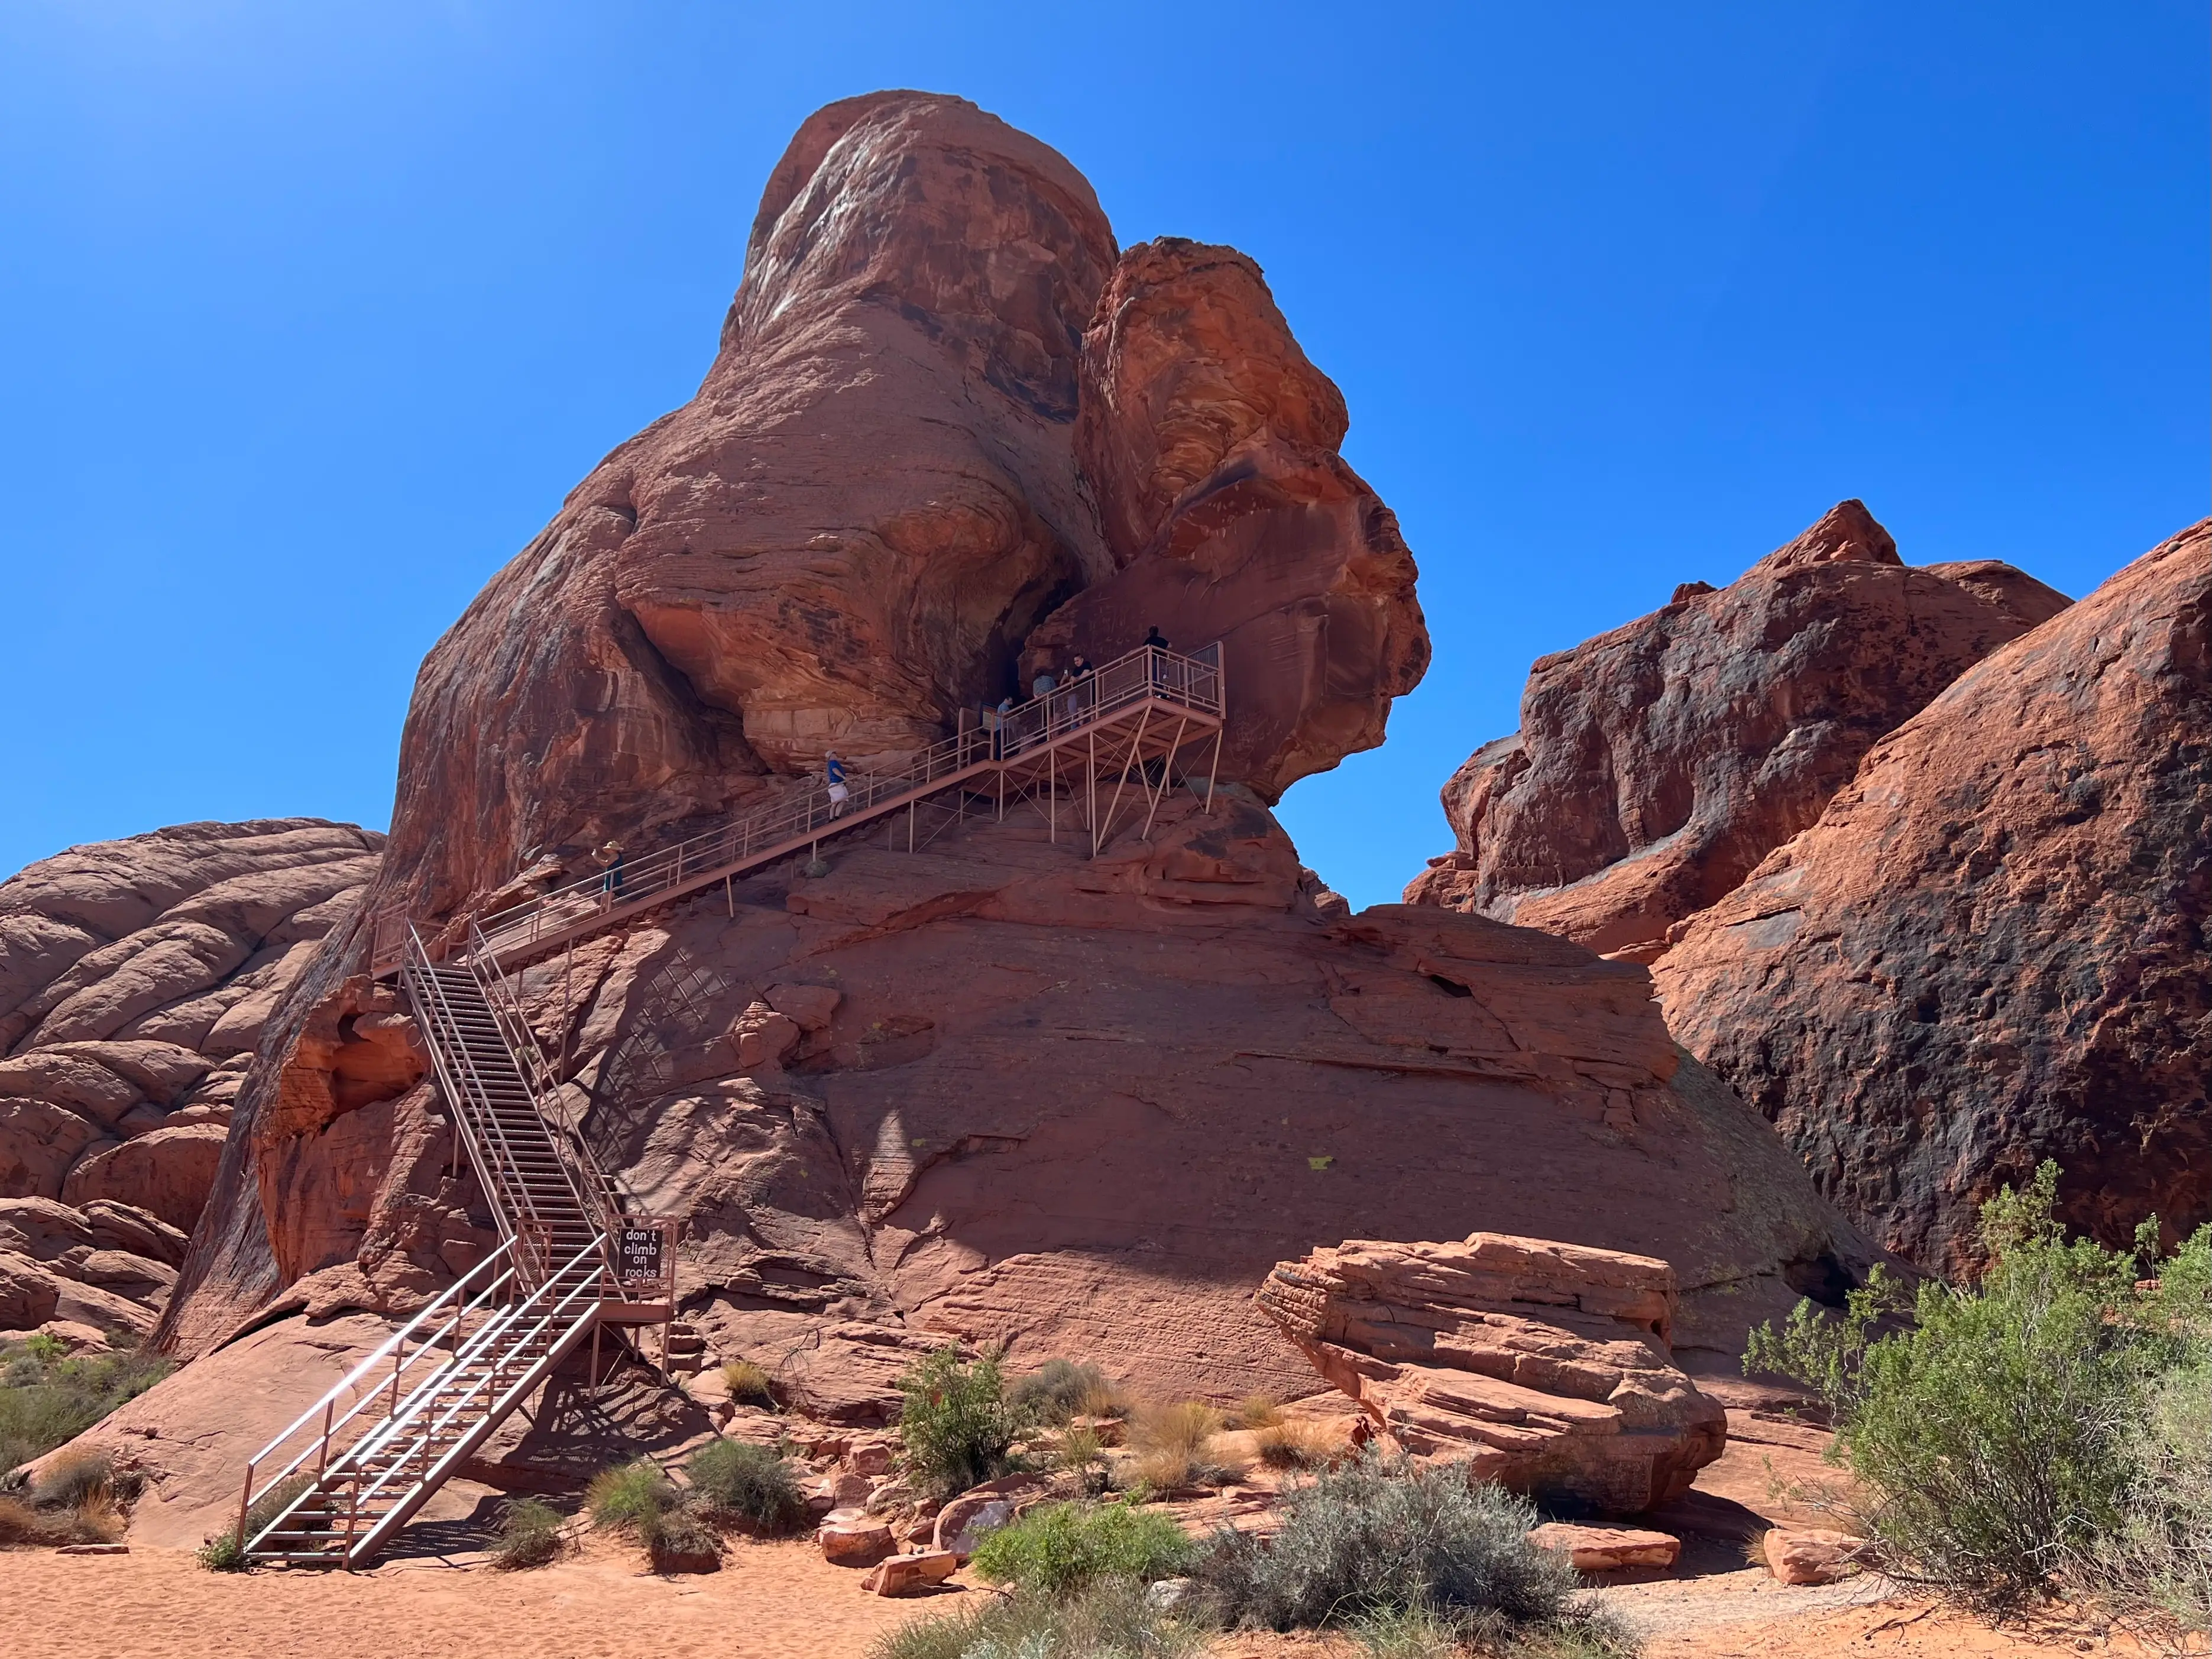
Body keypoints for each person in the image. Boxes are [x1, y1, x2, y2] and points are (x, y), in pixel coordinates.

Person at [593, 840, 625, 911]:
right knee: (605, 896)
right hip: (610, 877)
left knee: (608, 896)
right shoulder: (616, 856)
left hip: (613, 878)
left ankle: (608, 913)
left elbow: (606, 864)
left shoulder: (616, 856)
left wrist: (596, 858)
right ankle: (606, 912)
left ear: (613, 850)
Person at [825, 750, 850, 818]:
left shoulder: (829, 764)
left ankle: (831, 819)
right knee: (843, 800)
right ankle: (836, 816)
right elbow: (835, 770)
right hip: (837, 784)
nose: (836, 755)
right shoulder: (833, 762)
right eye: (834, 754)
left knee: (834, 803)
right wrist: (844, 778)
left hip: (833, 785)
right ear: (831, 756)